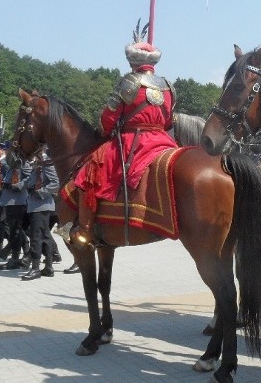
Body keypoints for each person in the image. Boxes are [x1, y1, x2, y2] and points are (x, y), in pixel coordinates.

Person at [70, 32, 178, 246]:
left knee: (86, 174)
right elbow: (168, 121)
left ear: (133, 61)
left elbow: (108, 118)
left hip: (135, 141)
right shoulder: (168, 86)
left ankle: (85, 230)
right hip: (164, 141)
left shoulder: (130, 82)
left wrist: (105, 130)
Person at [22, 152, 60, 280]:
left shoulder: (47, 163)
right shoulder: (37, 163)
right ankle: (48, 267)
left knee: (36, 237)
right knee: (45, 236)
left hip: (42, 206)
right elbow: (30, 181)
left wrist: (41, 192)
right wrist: (22, 185)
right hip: (35, 206)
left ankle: (35, 268)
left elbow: (56, 182)